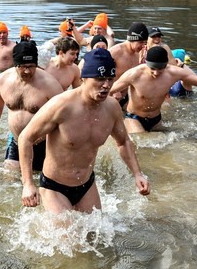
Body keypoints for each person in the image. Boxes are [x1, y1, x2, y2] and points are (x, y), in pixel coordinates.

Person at [18, 48, 151, 214]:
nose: (106, 85)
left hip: (86, 185)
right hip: (55, 186)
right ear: (84, 78)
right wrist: (28, 184)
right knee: (70, 241)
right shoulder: (61, 105)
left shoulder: (112, 108)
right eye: (100, 79)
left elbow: (123, 141)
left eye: (110, 79)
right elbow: (25, 138)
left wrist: (138, 174)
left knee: (96, 238)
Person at [0, 40, 63, 171]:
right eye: (22, 66)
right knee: (9, 181)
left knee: (41, 184)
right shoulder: (2, 80)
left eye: (31, 66)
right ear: (15, 64)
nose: (27, 71)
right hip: (16, 140)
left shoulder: (50, 85)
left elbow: (63, 117)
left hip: (43, 143)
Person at [111, 46, 197, 133]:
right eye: (152, 68)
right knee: (143, 142)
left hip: (156, 120)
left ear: (166, 65)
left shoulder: (173, 73)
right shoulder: (135, 74)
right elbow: (110, 89)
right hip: (134, 118)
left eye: (160, 69)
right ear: (147, 64)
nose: (156, 72)